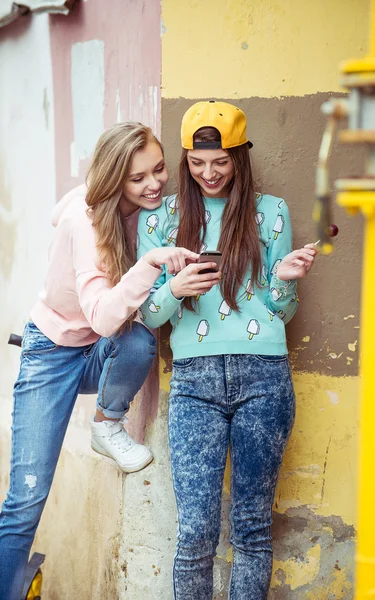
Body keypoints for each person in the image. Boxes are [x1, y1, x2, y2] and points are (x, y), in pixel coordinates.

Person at [0, 121, 198, 600]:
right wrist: (148, 267)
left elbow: (117, 331)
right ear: (114, 181)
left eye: (158, 169)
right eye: (138, 178)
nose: (153, 184)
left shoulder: (151, 211)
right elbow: (104, 315)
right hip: (50, 354)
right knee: (25, 497)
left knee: (138, 342)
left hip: (100, 351)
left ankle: (108, 424)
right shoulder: (84, 225)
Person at [137, 101, 317, 599]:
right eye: (197, 162)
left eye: (220, 161)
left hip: (265, 376)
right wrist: (176, 289)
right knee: (195, 532)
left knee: (253, 530)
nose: (209, 173)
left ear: (239, 156)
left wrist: (282, 280)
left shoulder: (271, 211)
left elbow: (280, 311)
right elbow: (147, 316)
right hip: (194, 383)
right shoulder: (160, 221)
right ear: (185, 159)